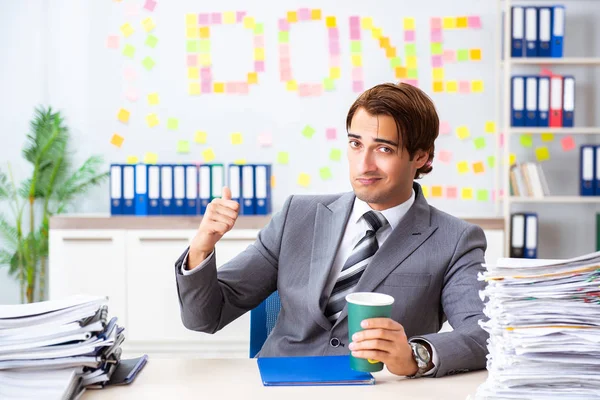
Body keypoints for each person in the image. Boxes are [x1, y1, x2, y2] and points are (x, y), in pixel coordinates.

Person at [174, 82, 488, 378]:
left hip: (380, 391)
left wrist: (414, 355)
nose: (363, 164)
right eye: (355, 144)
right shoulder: (298, 215)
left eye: (384, 150)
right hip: (282, 387)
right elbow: (205, 317)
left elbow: (483, 334)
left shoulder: (455, 239)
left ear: (420, 156)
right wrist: (201, 248)